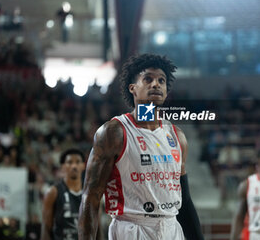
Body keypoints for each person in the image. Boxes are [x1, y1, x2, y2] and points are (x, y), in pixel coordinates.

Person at [78, 54, 204, 240]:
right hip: (132, 228)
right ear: (133, 88)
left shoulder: (177, 136)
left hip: (171, 227)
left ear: (166, 91)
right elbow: (91, 197)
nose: (156, 84)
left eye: (161, 80)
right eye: (148, 79)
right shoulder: (114, 132)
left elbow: (184, 201)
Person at [41, 148, 85, 240]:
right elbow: (46, 228)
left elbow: (98, 227)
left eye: (77, 162)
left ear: (83, 166)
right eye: (69, 162)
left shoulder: (91, 194)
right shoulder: (52, 192)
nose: (74, 166)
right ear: (63, 167)